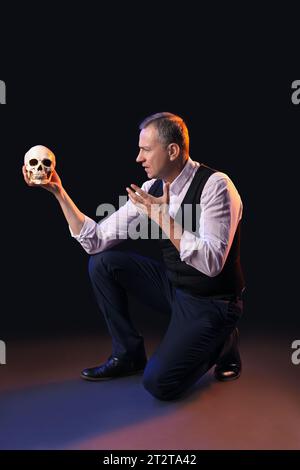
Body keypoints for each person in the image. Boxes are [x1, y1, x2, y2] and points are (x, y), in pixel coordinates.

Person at [22, 112, 245, 401]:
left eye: (145, 149)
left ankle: (223, 341)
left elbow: (212, 264)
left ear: (173, 150)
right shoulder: (153, 188)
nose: (139, 158)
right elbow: (96, 240)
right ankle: (127, 355)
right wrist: (59, 192)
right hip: (176, 289)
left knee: (160, 384)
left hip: (213, 302)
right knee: (103, 263)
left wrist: (163, 216)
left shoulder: (216, 186)